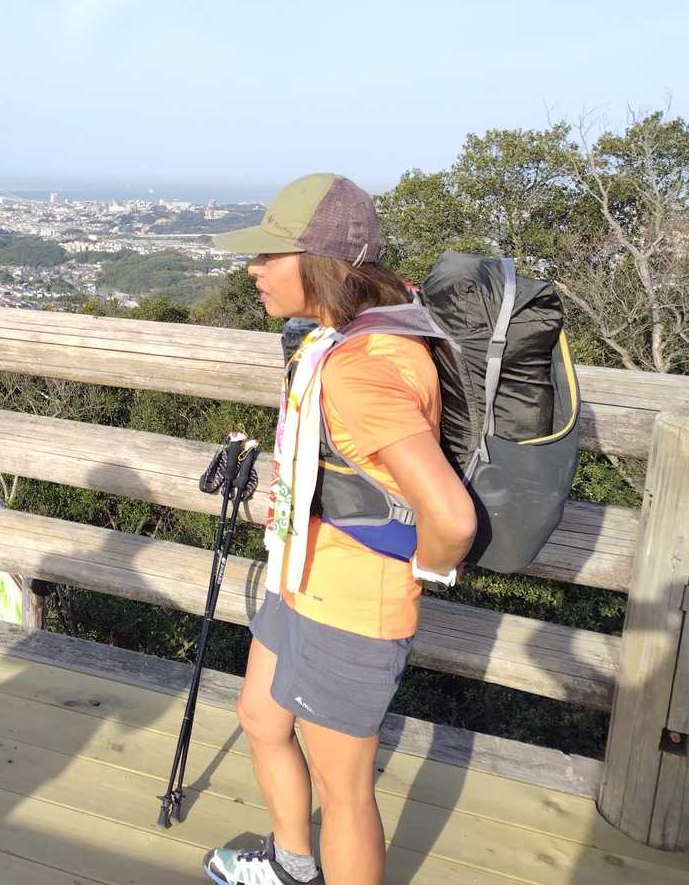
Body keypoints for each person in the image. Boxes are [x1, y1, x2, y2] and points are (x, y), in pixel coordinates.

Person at [202, 174, 476, 885]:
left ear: (321, 261)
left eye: (270, 255)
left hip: (351, 603)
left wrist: (422, 570)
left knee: (344, 792)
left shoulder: (362, 367)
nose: (253, 268)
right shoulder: (347, 334)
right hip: (301, 573)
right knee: (261, 717)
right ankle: (293, 866)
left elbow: (451, 518)